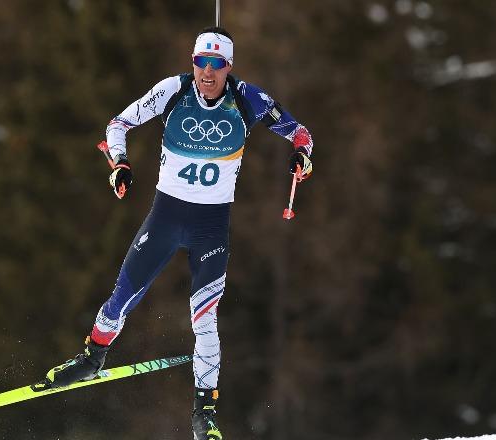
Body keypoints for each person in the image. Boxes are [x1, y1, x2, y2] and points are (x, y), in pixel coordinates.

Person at [44, 26, 314, 440]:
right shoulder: (173, 90)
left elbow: (299, 132)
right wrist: (120, 163)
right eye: (201, 62)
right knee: (121, 297)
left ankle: (204, 413)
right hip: (165, 218)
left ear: (228, 66)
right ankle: (92, 358)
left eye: (216, 64)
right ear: (193, 62)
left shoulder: (247, 98)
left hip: (211, 227)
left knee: (204, 320)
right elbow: (118, 124)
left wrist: (301, 155)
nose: (208, 72)